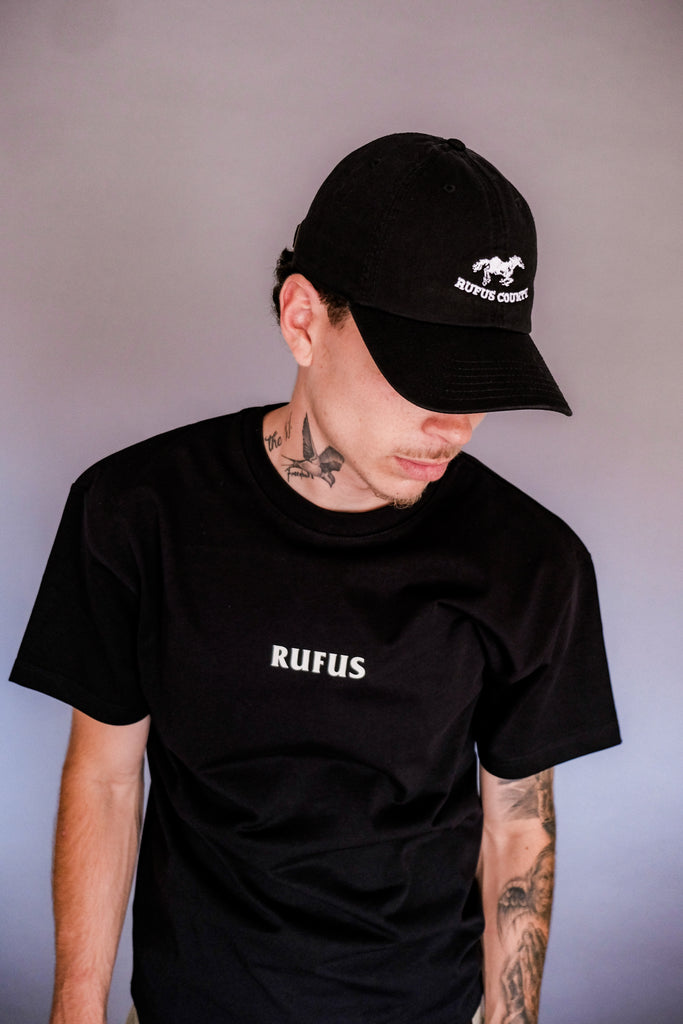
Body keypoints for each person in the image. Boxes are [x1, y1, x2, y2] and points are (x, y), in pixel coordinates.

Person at [11, 133, 620, 1024]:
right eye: (423, 375)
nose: (454, 425)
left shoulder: (531, 562)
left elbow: (517, 825)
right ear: (303, 320)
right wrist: (76, 1008)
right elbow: (104, 778)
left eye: (481, 382)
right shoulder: (136, 512)